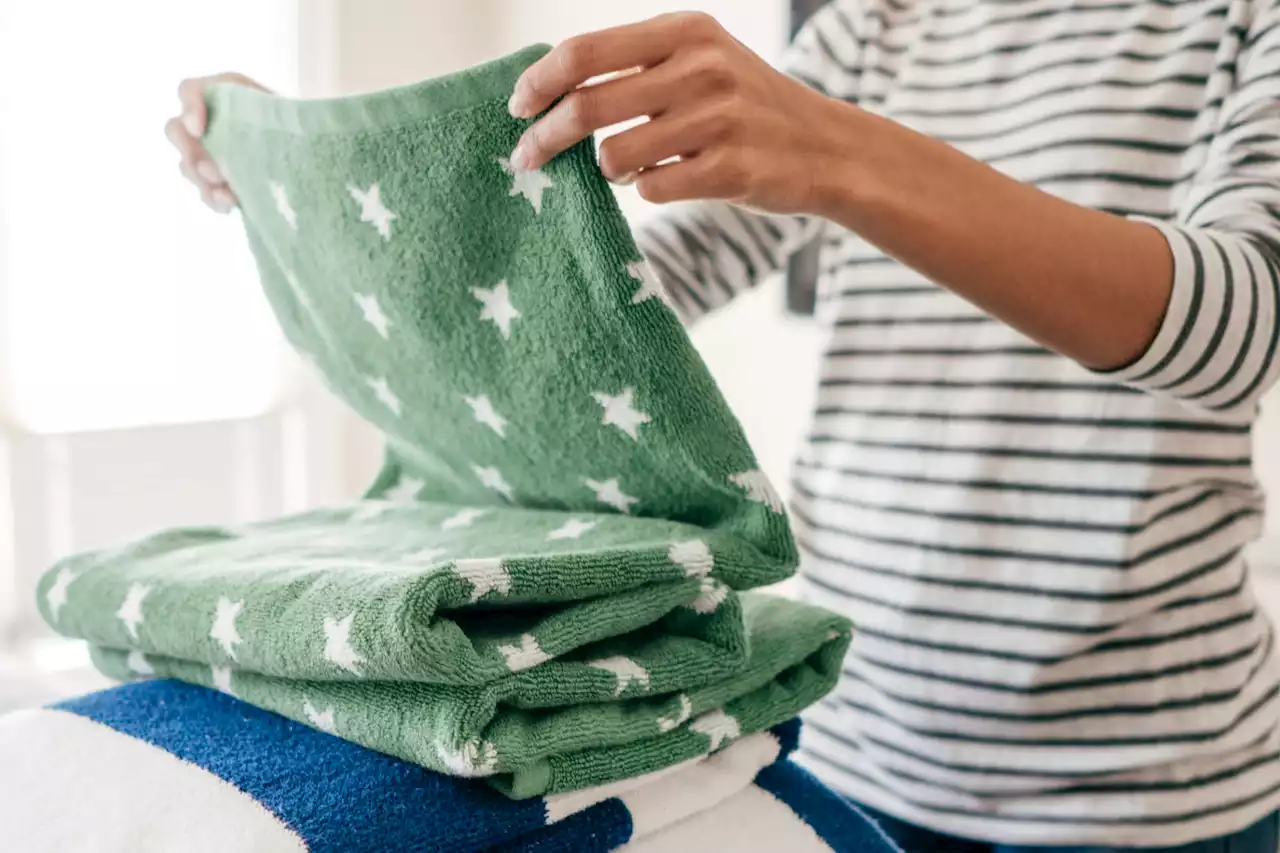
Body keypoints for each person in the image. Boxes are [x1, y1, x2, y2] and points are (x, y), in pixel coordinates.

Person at [166, 2, 1280, 850]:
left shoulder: (1236, 22)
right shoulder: (878, 26)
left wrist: (842, 154)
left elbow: (1241, 328)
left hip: (1157, 790)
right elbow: (606, 307)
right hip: (846, 742)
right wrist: (308, 181)